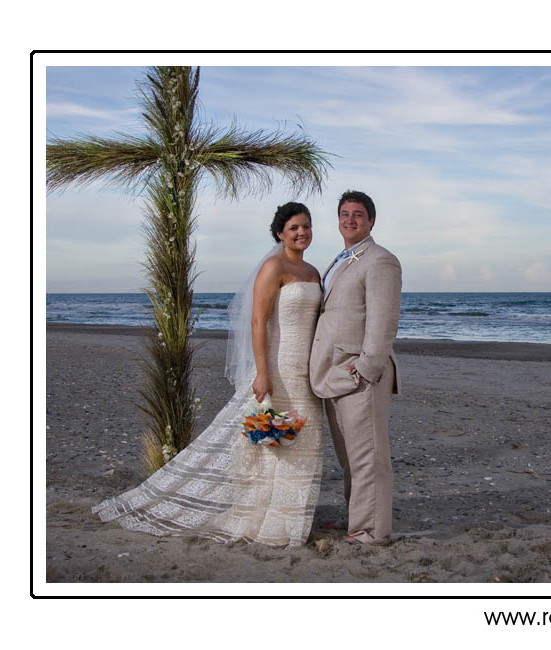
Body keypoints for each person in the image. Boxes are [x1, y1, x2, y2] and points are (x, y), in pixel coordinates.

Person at [93, 202, 325, 547]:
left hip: (307, 369)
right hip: (278, 365)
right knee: (271, 440)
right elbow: (257, 322)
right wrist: (262, 372)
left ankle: (291, 520)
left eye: (306, 226)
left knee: (305, 440)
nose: (301, 232)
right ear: (280, 233)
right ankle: (264, 515)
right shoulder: (273, 267)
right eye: (294, 227)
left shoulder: (313, 272)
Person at [309, 190, 402, 545]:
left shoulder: (381, 261)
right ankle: (356, 519)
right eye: (344, 214)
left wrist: (366, 369)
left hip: (359, 375)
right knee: (351, 456)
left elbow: (383, 321)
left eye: (358, 214)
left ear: (371, 221)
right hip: (334, 373)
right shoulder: (340, 260)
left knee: (369, 457)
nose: (350, 220)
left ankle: (371, 531)